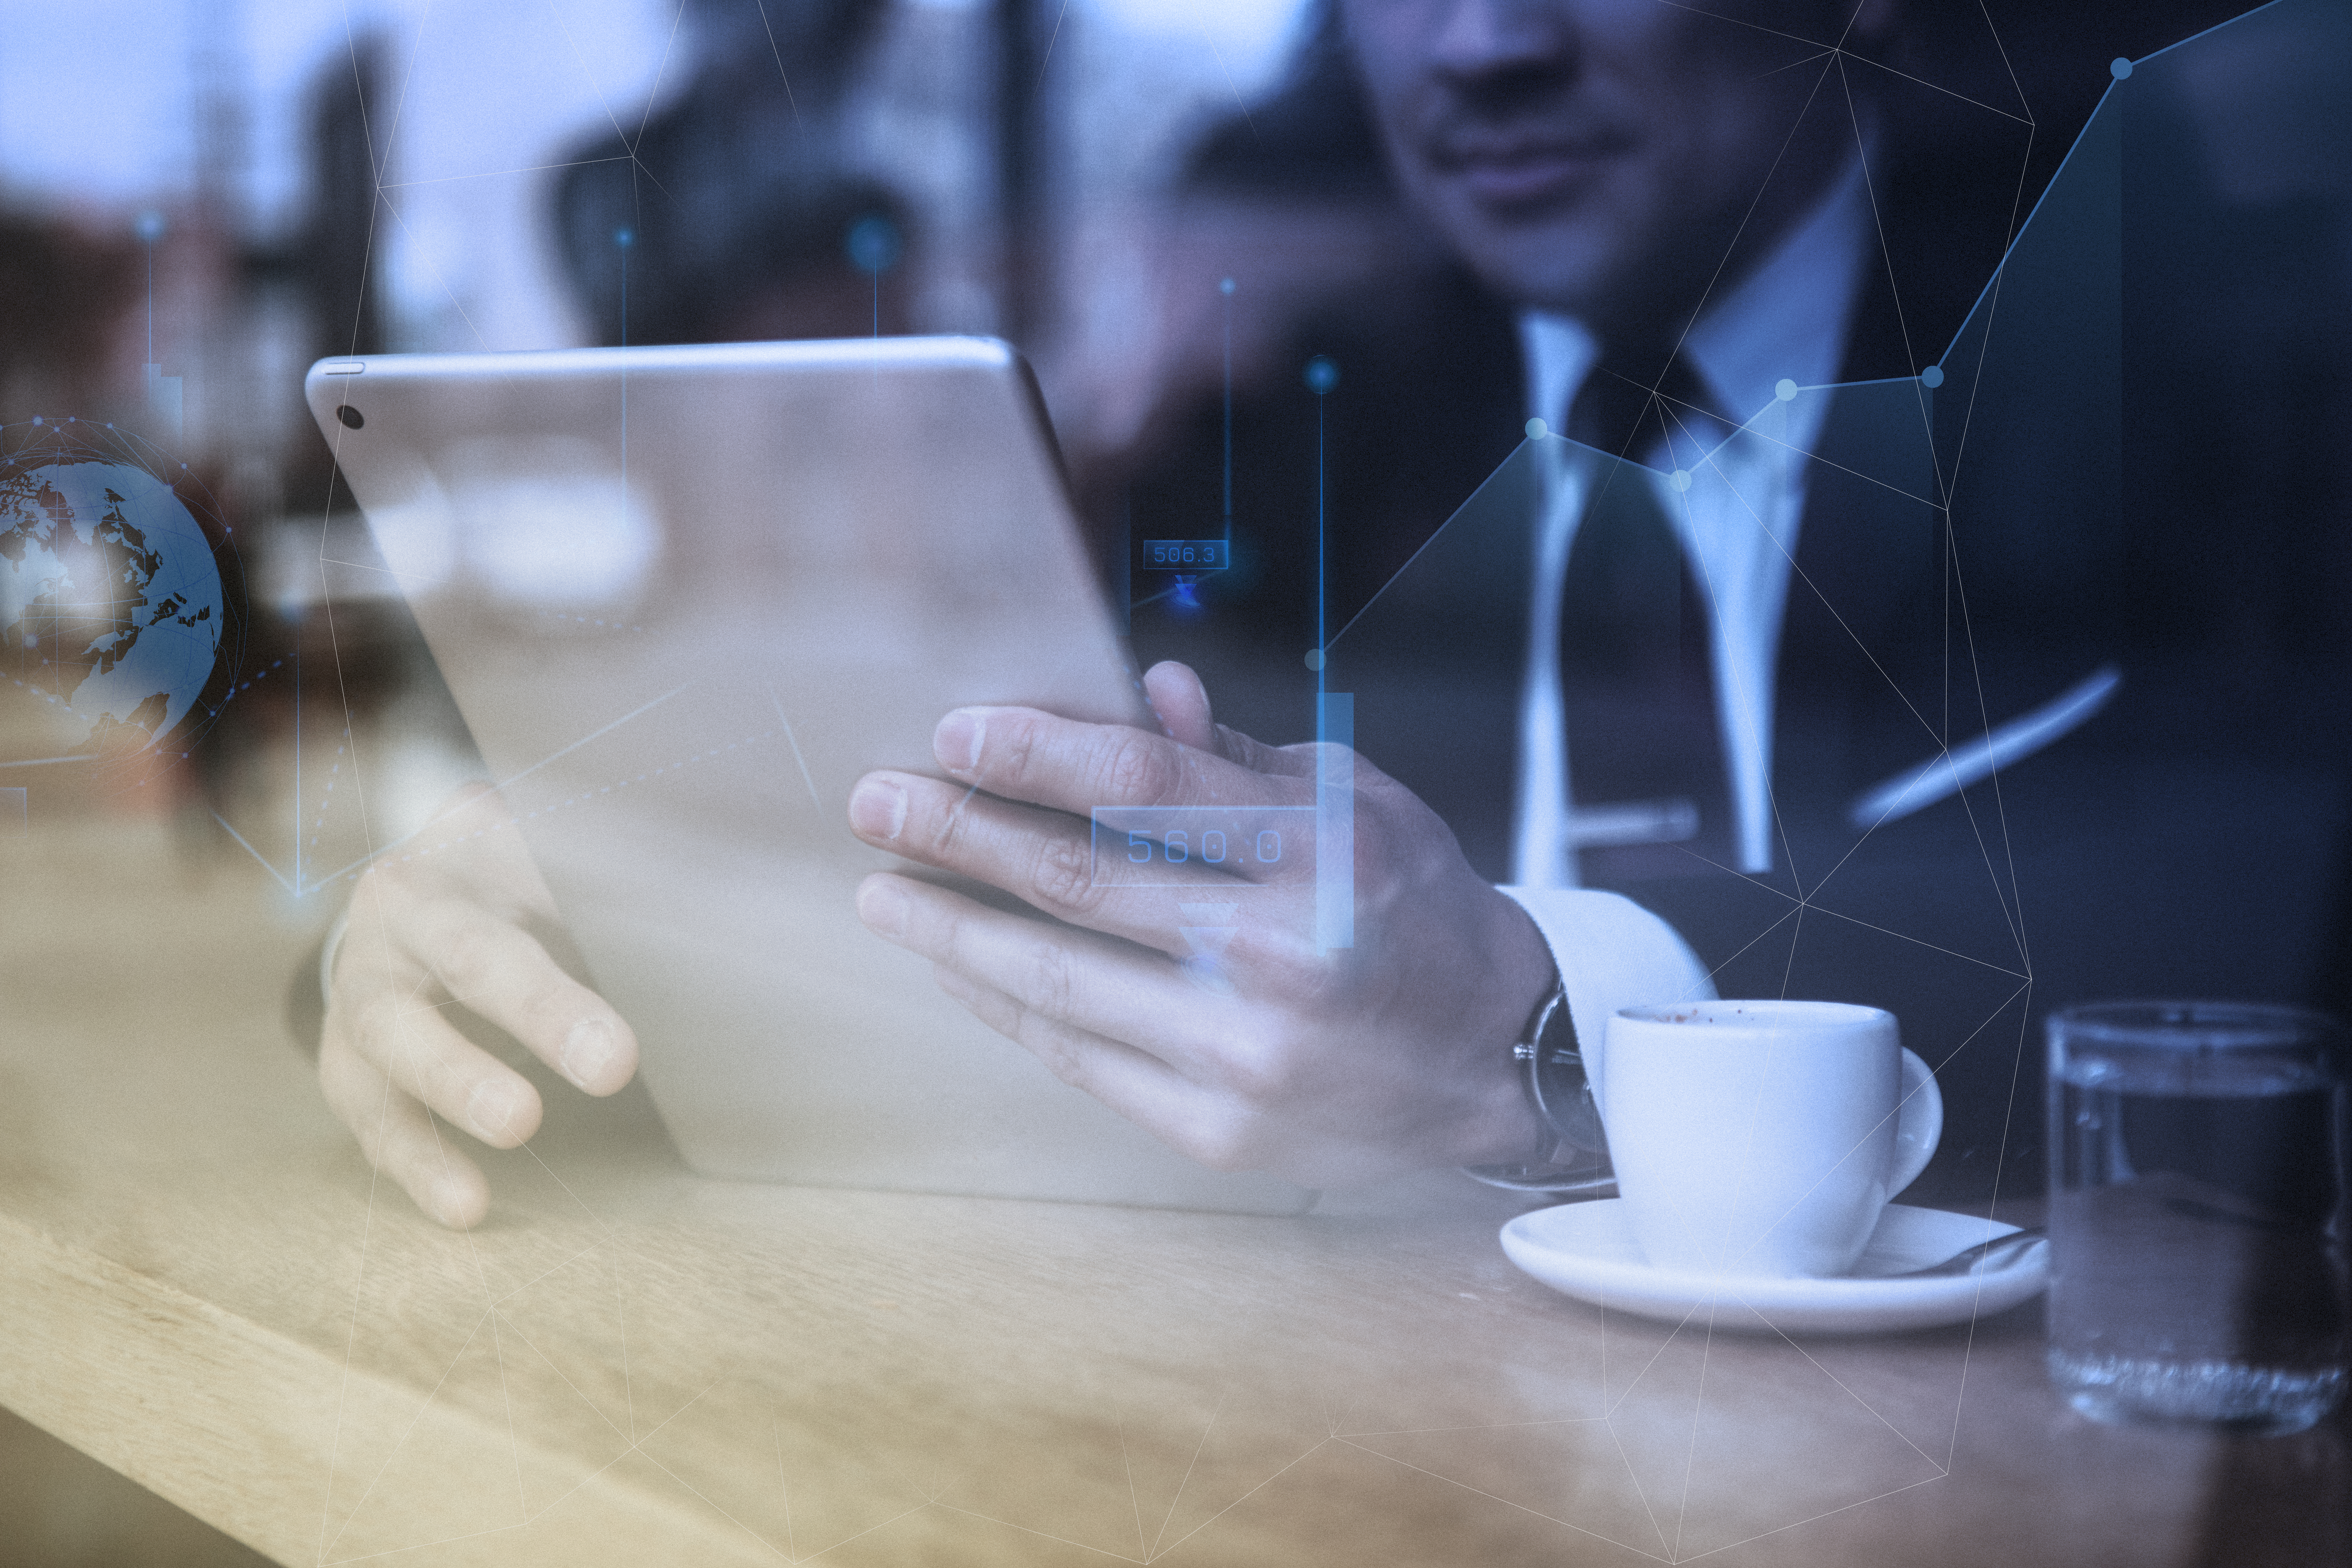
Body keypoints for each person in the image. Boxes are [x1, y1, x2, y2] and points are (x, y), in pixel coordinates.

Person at [317, 0, 2352, 1227]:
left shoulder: (2182, 344)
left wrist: (1536, 1023)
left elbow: (2251, 912)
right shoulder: (1276, 415)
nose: (1477, 46)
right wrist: (557, 935)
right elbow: (1042, 882)